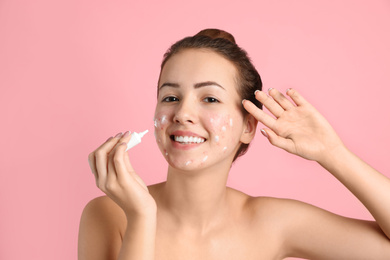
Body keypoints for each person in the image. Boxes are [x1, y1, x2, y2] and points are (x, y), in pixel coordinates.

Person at [78, 29, 390, 259]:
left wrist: (333, 154)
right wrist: (141, 217)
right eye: (170, 97)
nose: (183, 113)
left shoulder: (271, 223)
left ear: (249, 126)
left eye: (210, 98)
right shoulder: (109, 215)